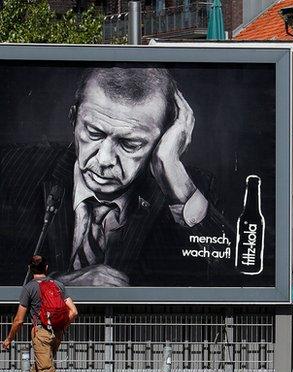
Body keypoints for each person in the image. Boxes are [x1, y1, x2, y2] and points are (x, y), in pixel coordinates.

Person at [0, 66, 235, 287]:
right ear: (73, 119)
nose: (104, 159)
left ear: (162, 140)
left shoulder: (188, 190)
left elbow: (237, 279)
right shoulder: (11, 169)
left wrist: (176, 180)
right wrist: (60, 286)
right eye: (93, 133)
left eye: (130, 143)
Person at [2, 255, 78, 372]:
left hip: (40, 334)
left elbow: (19, 320)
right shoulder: (58, 285)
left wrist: (9, 339)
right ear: (46, 268)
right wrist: (62, 328)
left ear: (30, 269)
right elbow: (73, 312)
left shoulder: (28, 288)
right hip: (56, 334)